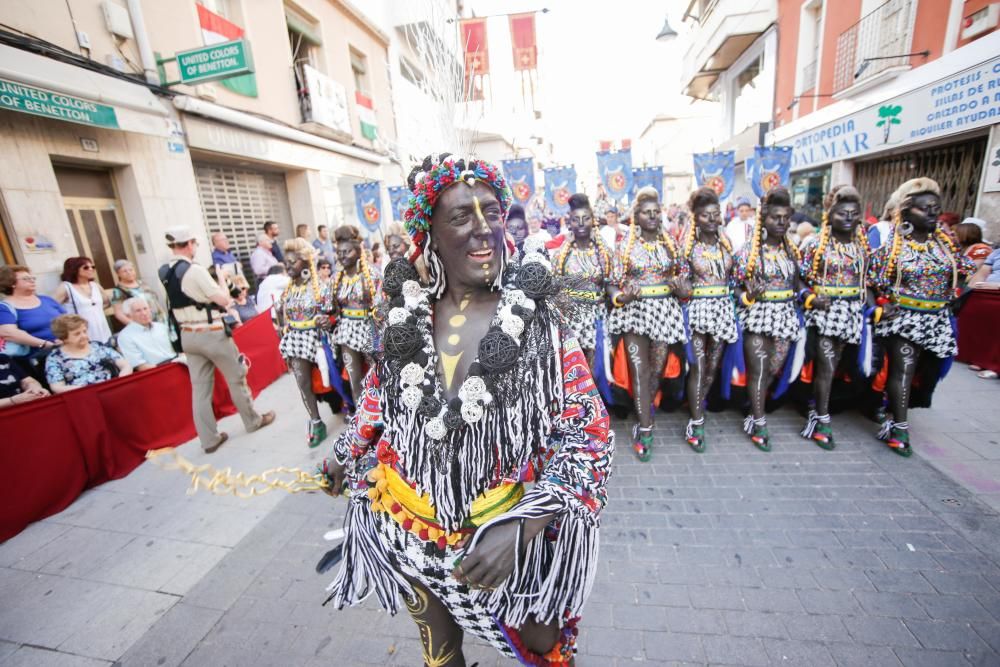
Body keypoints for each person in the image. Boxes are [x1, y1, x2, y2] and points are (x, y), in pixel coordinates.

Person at [321, 153, 613, 666]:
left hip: (510, 545)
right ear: (429, 234)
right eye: (462, 216)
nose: (484, 231)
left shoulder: (538, 321)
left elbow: (590, 438)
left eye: (493, 213)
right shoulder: (407, 318)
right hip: (410, 526)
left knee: (543, 648)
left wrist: (521, 527)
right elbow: (377, 398)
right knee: (440, 652)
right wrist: (343, 454)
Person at [868, 178, 974, 456]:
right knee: (903, 367)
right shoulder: (894, 244)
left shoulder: (945, 243)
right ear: (906, 211)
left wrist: (956, 293)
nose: (931, 214)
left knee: (924, 370)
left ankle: (892, 407)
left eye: (935, 208)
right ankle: (899, 427)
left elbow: (962, 271)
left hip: (936, 318)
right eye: (924, 208)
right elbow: (872, 278)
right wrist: (880, 304)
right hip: (903, 317)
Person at [159, 226, 275, 453]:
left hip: (187, 334)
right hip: (210, 332)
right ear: (190, 244)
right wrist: (222, 278)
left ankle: (209, 439)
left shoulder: (164, 271)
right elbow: (223, 300)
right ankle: (253, 421)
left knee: (200, 389)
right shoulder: (195, 270)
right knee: (236, 377)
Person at [607, 185, 689, 461]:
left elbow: (684, 279)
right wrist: (621, 296)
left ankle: (644, 411)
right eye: (646, 213)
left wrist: (682, 290)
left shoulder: (672, 244)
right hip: (634, 313)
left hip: (664, 313)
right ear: (636, 216)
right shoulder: (625, 245)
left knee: (656, 371)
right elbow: (611, 282)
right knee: (639, 371)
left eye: (656, 212)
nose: (652, 217)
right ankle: (645, 428)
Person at [798, 185, 869, 449]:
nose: (848, 218)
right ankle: (821, 418)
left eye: (853, 213)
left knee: (839, 364)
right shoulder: (816, 244)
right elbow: (799, 277)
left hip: (852, 313)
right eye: (842, 213)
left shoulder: (861, 246)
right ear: (830, 215)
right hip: (824, 312)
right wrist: (810, 297)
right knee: (826, 365)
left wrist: (875, 308)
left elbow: (869, 282)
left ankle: (817, 405)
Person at [733, 187, 804, 451]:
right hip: (758, 317)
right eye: (776, 217)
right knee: (759, 370)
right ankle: (759, 421)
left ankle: (754, 407)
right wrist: (747, 296)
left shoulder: (792, 252)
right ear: (764, 219)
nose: (782, 222)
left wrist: (807, 297)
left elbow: (800, 284)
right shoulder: (748, 253)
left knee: (774, 369)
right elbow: (734, 286)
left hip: (785, 318)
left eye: (786, 217)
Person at [679, 187, 737, 452]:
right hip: (697, 311)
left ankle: (697, 404)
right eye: (705, 215)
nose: (712, 219)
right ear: (696, 218)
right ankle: (696, 421)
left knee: (712, 368)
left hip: (722, 311)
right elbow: (679, 279)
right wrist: (683, 291)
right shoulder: (687, 246)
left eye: (716, 214)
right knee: (699, 367)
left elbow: (734, 278)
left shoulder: (726, 244)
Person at [276, 238, 336, 447]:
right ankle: (316, 421)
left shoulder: (320, 287)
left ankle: (346, 404)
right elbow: (281, 316)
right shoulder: (288, 289)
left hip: (320, 339)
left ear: (305, 263)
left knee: (335, 377)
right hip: (297, 340)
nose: (288, 266)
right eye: (287, 262)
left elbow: (332, 313)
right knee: (303, 382)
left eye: (293, 262)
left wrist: (326, 321)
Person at [553, 193, 613, 372]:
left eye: (585, 218)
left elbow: (611, 282)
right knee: (574, 370)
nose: (580, 223)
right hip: (572, 317)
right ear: (569, 222)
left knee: (594, 370)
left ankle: (594, 400)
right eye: (575, 219)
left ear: (593, 221)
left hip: (597, 317)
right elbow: (555, 286)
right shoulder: (562, 254)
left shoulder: (604, 253)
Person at [331, 225, 378, 410]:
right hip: (346, 331)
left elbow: (382, 303)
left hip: (369, 328)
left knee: (376, 376)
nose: (342, 256)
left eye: (347, 251)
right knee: (354, 378)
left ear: (358, 252)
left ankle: (381, 415)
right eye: (339, 252)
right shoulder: (336, 279)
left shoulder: (371, 275)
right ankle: (361, 420)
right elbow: (330, 308)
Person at [0, 265, 64, 371]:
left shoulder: (47, 300)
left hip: (64, 351)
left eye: (32, 278)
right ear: (11, 283)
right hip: (37, 360)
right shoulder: (4, 307)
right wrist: (44, 344)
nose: (32, 281)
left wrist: (66, 338)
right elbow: (8, 333)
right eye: (26, 279)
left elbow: (68, 321)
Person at [45, 314, 131, 392]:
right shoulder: (55, 358)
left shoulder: (97, 346)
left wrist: (120, 381)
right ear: (64, 338)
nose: (84, 336)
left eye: (84, 331)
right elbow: (57, 387)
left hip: (113, 390)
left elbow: (125, 365)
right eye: (77, 334)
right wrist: (86, 390)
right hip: (82, 397)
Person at [53, 257, 112, 344]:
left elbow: (107, 302)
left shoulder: (95, 285)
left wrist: (93, 311)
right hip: (81, 332)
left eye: (92, 267)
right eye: (86, 267)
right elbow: (51, 308)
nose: (91, 269)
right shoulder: (66, 287)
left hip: (102, 330)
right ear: (74, 269)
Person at [117, 298, 177, 370]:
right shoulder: (125, 336)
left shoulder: (162, 327)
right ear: (129, 315)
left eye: (145, 308)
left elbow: (178, 349)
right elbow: (141, 366)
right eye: (138, 311)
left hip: (177, 362)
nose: (144, 313)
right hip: (157, 371)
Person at [110, 259, 167, 327]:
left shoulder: (142, 283)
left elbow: (154, 301)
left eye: (131, 270)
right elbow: (119, 314)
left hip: (160, 321)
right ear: (118, 274)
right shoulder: (119, 290)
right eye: (124, 271)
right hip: (143, 325)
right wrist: (136, 326)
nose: (129, 272)